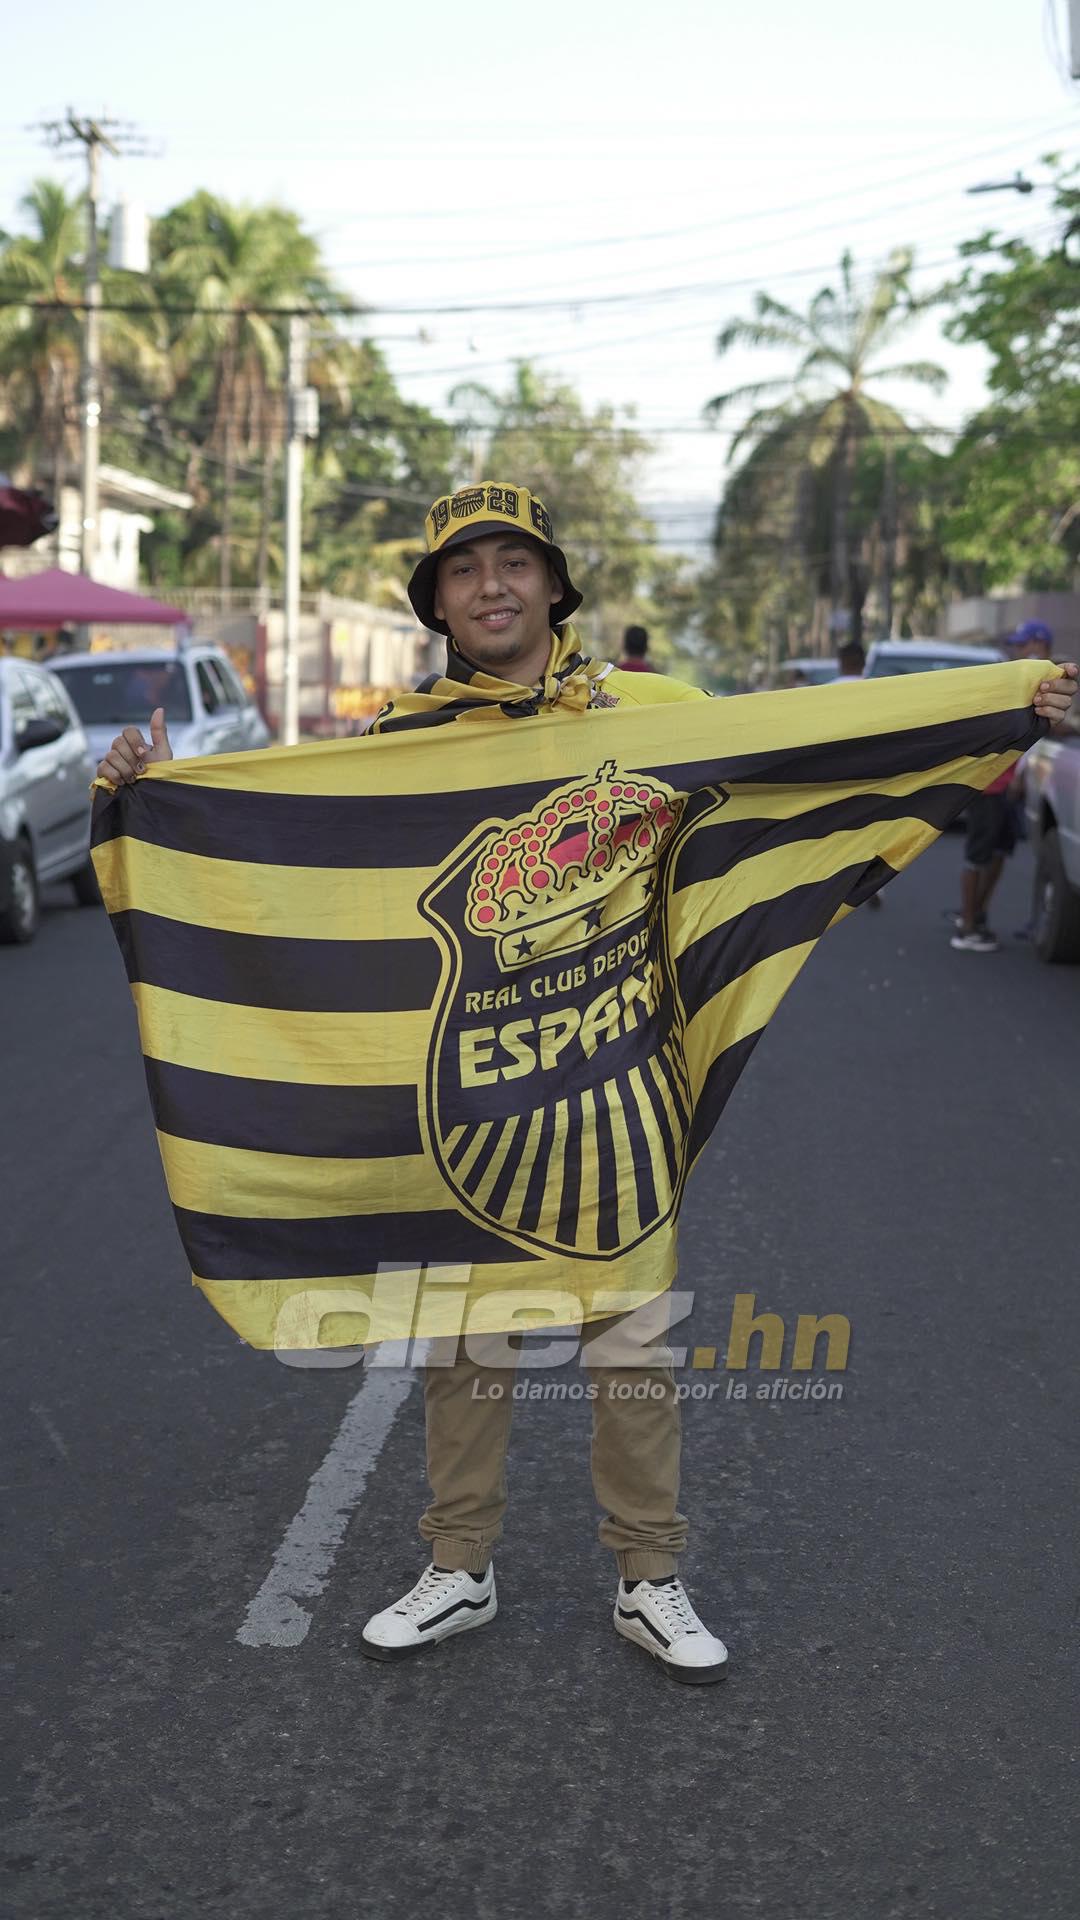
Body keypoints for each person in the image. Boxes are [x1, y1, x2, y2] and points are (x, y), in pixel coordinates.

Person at [94, 483, 1080, 1686]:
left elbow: (811, 750)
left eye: (514, 563)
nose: (492, 587)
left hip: (616, 1080)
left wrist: (1002, 706)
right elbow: (286, 858)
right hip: (470, 1093)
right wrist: (138, 797)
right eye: (465, 571)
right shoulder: (397, 745)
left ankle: (648, 1579)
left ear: (557, 586)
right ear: (438, 603)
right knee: (464, 1340)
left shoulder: (656, 712)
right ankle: (460, 1567)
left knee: (632, 1343)